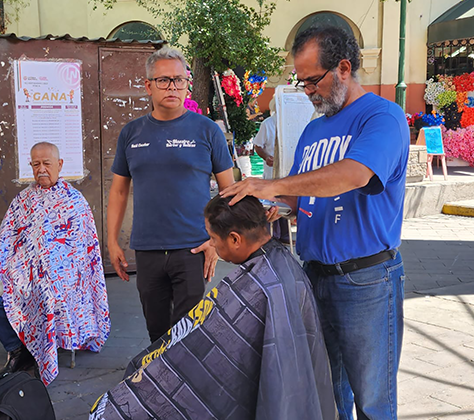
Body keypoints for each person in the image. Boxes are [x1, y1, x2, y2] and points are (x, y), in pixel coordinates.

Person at [221, 26, 408, 420]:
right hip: (313, 276)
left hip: (366, 280)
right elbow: (301, 194)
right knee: (325, 393)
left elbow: (354, 175)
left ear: (343, 68)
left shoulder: (382, 117)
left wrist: (275, 182)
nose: (305, 90)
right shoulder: (313, 129)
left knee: (373, 400)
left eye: (311, 80)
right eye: (300, 81)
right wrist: (269, 202)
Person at [91, 195, 336, 420]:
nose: (212, 245)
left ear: (235, 239)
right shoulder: (280, 267)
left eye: (213, 239)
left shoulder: (263, 285)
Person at [106, 47, 234, 343]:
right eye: (163, 80)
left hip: (192, 249)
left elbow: (229, 191)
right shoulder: (131, 133)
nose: (172, 87)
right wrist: (112, 241)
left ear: (187, 84)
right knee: (157, 333)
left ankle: (188, 389)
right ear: (148, 86)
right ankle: (157, 387)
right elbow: (119, 190)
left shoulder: (206, 131)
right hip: (148, 249)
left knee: (187, 334)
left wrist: (216, 241)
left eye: (179, 80)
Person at [0, 141, 110, 386]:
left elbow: (82, 253)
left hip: (64, 281)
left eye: (46, 163)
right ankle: (19, 350)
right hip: (24, 276)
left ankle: (39, 353)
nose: (41, 169)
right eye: (36, 164)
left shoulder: (74, 202)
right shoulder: (23, 200)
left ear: (60, 164)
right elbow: (6, 241)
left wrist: (49, 274)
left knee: (44, 295)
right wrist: (18, 270)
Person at [252, 98, 290, 243]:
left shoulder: (291, 123)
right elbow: (258, 145)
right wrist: (267, 157)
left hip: (288, 173)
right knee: (273, 204)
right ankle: (271, 236)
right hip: (271, 173)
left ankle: (284, 235)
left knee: (286, 203)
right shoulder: (267, 124)